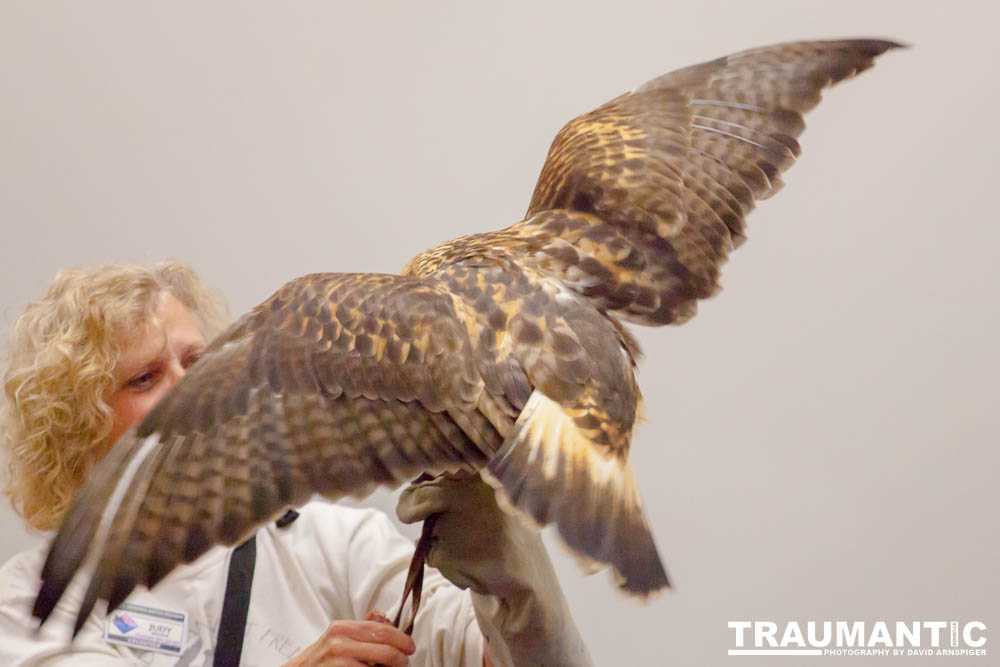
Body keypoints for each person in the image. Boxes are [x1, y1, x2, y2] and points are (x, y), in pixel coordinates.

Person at [0, 261, 593, 666]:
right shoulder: (30, 602)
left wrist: (509, 571)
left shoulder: (331, 543)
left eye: (199, 361)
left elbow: (497, 655)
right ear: (75, 429)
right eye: (146, 377)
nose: (194, 390)